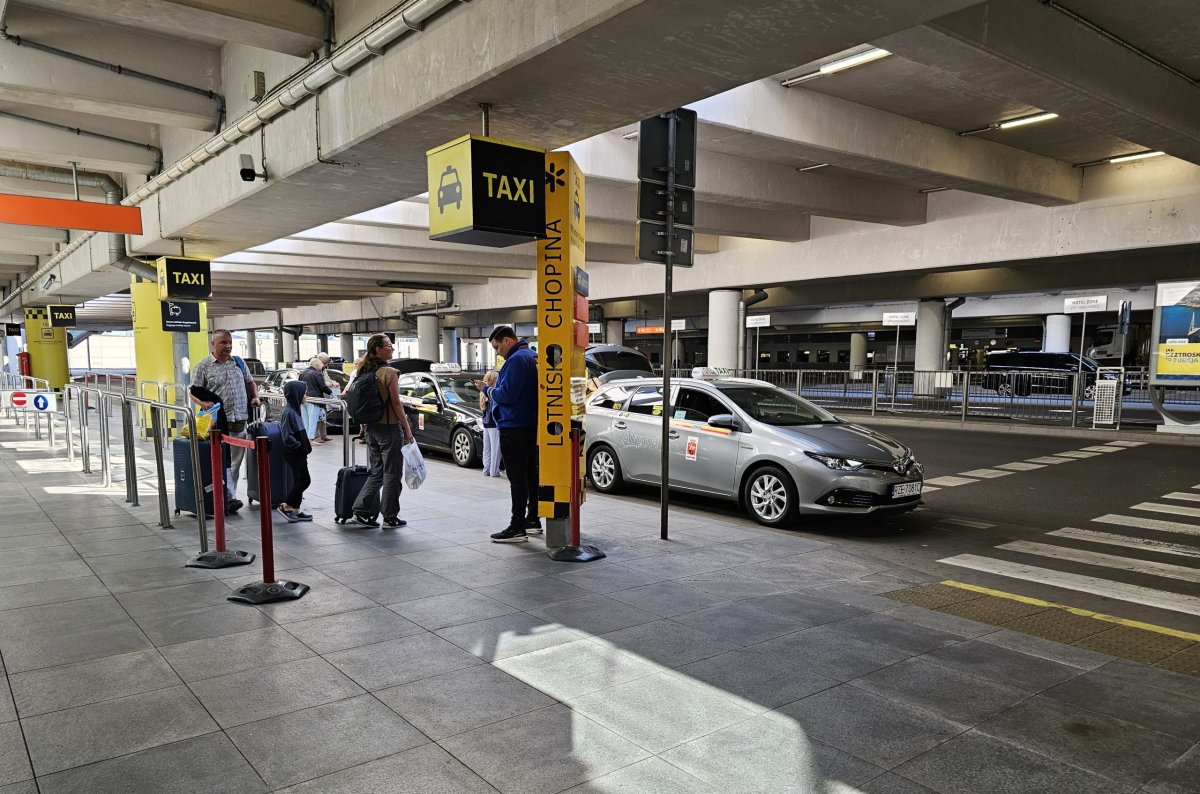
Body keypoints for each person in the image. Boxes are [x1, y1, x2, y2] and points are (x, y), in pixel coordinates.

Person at [475, 326, 540, 542]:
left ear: (507, 341)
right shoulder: (531, 355)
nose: (497, 353)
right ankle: (532, 519)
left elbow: (507, 395)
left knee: (517, 477)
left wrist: (485, 389)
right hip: (530, 424)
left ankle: (517, 526)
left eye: (497, 347)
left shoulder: (515, 360)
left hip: (514, 425)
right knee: (531, 474)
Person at [190, 329, 259, 514]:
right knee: (222, 463)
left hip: (240, 421)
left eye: (229, 342)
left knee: (235, 464)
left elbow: (251, 382)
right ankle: (225, 498)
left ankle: (230, 497)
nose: (228, 346)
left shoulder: (238, 362)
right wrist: (204, 404)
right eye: (223, 343)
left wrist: (255, 396)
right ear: (213, 344)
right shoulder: (203, 366)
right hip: (218, 424)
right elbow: (192, 392)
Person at [352, 333, 415, 528]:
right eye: (388, 345)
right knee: (392, 473)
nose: (392, 348)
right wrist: (407, 429)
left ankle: (360, 510)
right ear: (378, 349)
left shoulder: (363, 369)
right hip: (389, 428)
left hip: (372, 428)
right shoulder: (389, 372)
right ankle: (390, 517)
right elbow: (396, 403)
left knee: (377, 472)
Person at [277, 380, 313, 522]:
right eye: (304, 393)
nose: (306, 395)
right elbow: (287, 436)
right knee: (305, 480)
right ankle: (286, 506)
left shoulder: (295, 410)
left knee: (299, 479)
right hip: (294, 452)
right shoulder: (289, 412)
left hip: (298, 452)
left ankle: (296, 510)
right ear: (297, 394)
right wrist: (299, 445)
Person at [299, 356, 331, 443]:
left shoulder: (302, 373)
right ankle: (311, 438)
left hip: (304, 398)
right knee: (313, 419)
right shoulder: (317, 374)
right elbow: (323, 387)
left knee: (305, 420)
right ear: (318, 366)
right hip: (314, 399)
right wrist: (331, 392)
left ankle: (306, 438)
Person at [479, 369, 501, 477]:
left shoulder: (483, 393)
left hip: (486, 424)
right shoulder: (492, 392)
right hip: (493, 423)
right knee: (495, 450)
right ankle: (494, 471)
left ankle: (486, 469)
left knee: (486, 449)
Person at [315, 352, 340, 443]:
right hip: (318, 395)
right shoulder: (316, 370)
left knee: (324, 416)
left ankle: (323, 435)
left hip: (324, 396)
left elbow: (327, 379)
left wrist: (333, 382)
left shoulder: (323, 370)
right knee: (318, 416)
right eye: (325, 362)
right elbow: (321, 383)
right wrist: (330, 384)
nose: (327, 364)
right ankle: (317, 436)